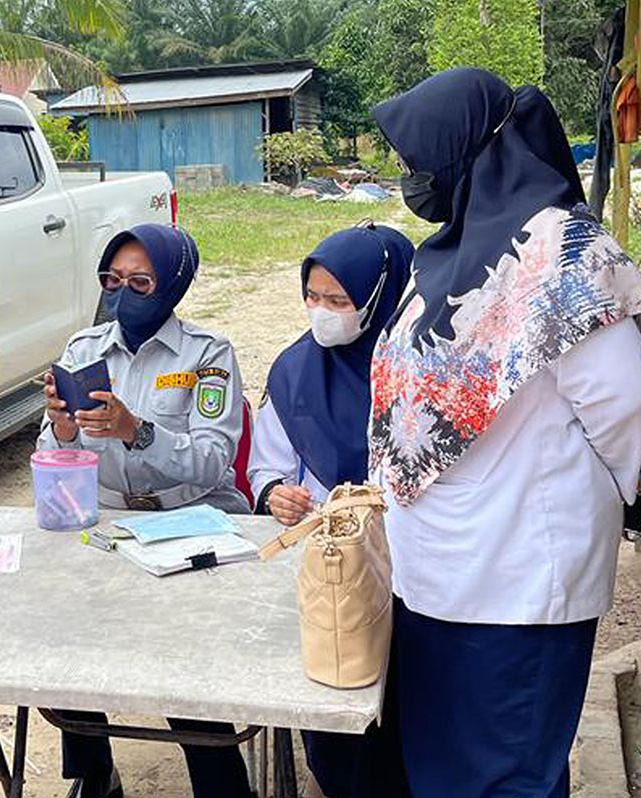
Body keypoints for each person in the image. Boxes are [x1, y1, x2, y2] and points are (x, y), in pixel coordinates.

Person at [370, 67, 641, 798]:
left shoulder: (567, 257)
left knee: (506, 776)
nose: (409, 176)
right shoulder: (449, 250)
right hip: (433, 576)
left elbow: (626, 413)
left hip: (522, 578)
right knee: (443, 772)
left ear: (468, 150)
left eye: (416, 157)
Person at [37, 223, 252, 798]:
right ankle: (92, 772)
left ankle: (220, 782)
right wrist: (61, 430)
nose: (122, 292)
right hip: (106, 520)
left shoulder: (208, 354)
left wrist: (138, 432)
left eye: (139, 281)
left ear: (172, 284)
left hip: (187, 518)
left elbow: (213, 461)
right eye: (112, 279)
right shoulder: (84, 351)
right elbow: (51, 458)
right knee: (64, 632)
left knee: (184, 661)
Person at [248, 222, 413, 798]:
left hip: (413, 568)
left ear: (379, 297)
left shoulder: (416, 366)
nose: (321, 312)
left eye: (339, 300)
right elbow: (266, 463)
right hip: (333, 568)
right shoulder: (295, 370)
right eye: (312, 296)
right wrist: (274, 494)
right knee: (338, 692)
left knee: (408, 701)